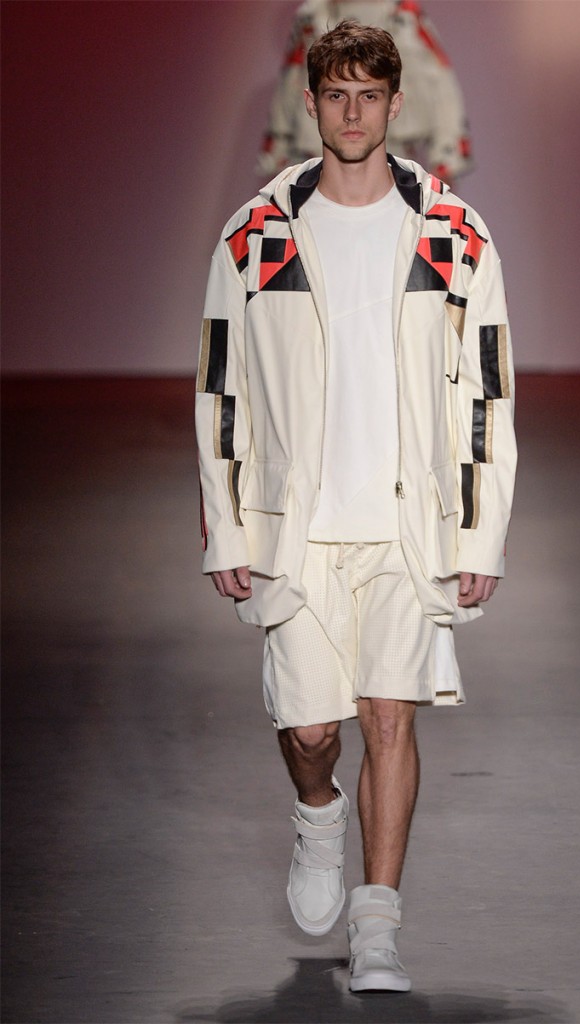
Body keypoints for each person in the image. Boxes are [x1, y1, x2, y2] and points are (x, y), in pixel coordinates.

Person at [195, 19, 516, 993]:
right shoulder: (256, 232)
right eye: (335, 94)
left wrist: (482, 532)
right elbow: (221, 385)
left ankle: (378, 926)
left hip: (407, 523)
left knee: (387, 718)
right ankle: (316, 813)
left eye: (368, 95)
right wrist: (226, 521)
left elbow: (486, 389)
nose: (351, 112)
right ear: (311, 103)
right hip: (297, 524)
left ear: (393, 103)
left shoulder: (453, 231)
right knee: (310, 732)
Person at [257, 0, 474, 188]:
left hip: (391, 153)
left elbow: (440, 86)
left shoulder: (402, 14)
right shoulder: (313, 15)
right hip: (317, 156)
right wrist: (278, 158)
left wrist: (446, 158)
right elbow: (290, 84)